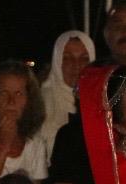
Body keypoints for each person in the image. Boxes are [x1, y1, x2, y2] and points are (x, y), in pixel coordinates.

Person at [38, 30, 94, 161]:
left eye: (84, 59)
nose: (76, 65)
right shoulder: (38, 103)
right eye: (67, 58)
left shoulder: (102, 103)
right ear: (57, 62)